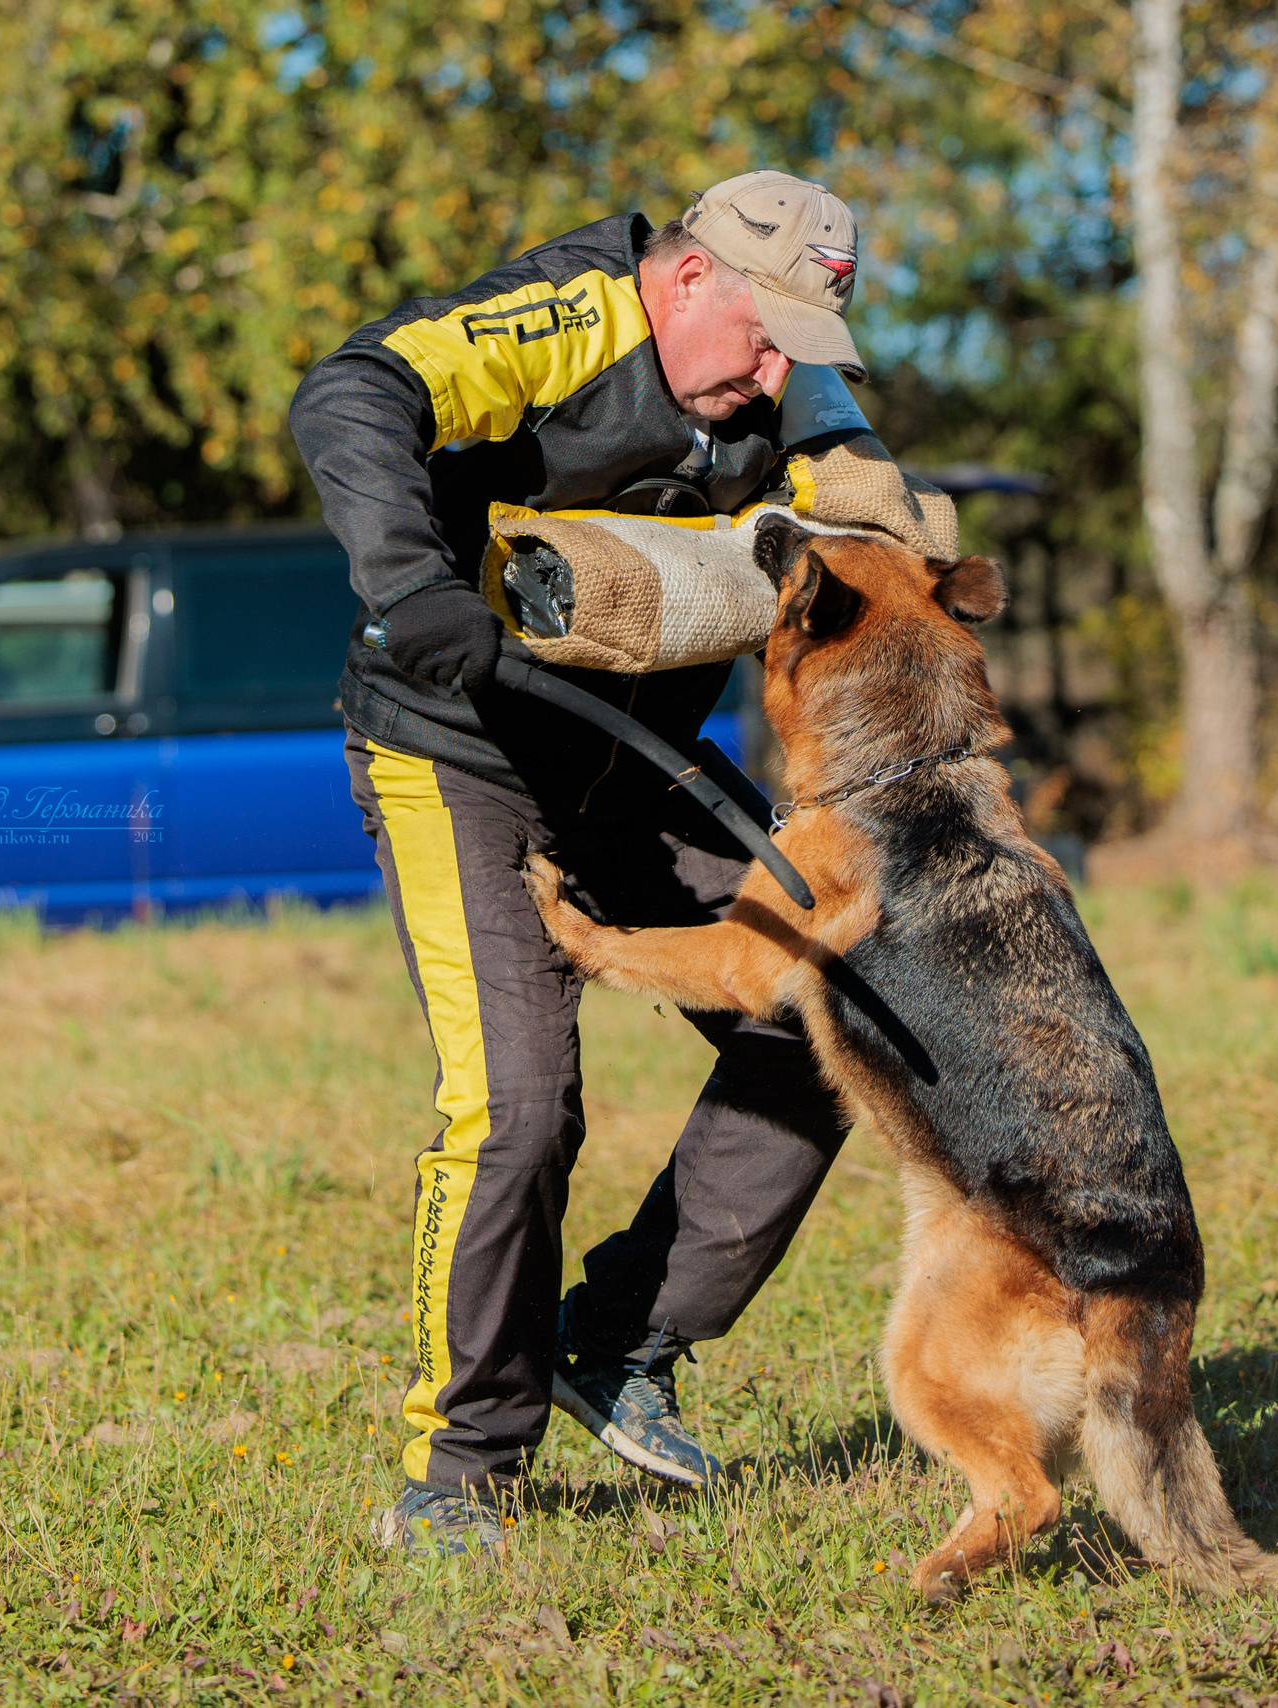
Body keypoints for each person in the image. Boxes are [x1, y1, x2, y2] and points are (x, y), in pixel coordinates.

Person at [288, 172, 874, 1555]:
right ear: (684, 286)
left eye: (806, 343)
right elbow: (351, 392)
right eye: (764, 335)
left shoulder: (783, 379)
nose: (782, 372)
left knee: (823, 1010)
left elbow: (866, 496)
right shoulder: (571, 320)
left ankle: (616, 1343)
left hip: (635, 759)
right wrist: (414, 586)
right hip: (459, 755)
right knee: (519, 1106)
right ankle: (462, 1473)